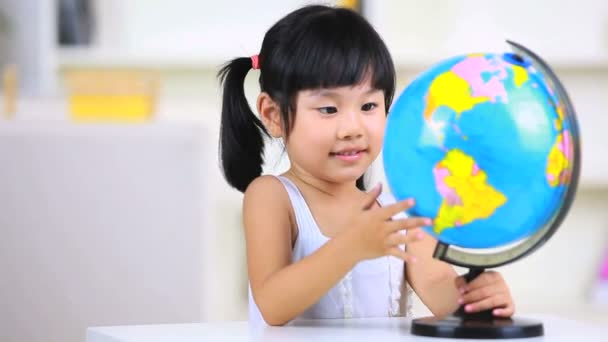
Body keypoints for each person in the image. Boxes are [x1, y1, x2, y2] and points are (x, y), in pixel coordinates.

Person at [218, 4, 514, 326]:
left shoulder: (395, 210)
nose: (352, 128)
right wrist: (351, 247)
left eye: (369, 105)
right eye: (329, 109)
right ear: (274, 116)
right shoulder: (273, 197)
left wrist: (477, 299)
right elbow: (272, 304)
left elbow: (437, 284)